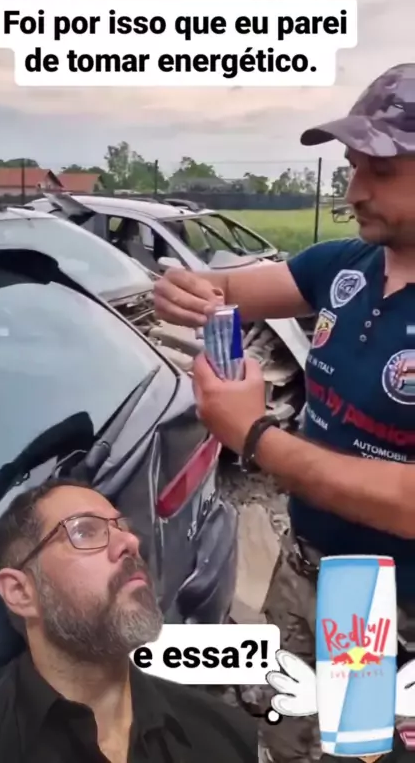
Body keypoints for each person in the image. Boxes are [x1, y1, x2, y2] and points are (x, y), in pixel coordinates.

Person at [153, 62, 415, 763]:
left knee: (362, 749)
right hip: (310, 568)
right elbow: (221, 289)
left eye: (380, 171)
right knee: (288, 737)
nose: (354, 192)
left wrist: (254, 436)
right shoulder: (343, 266)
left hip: (396, 606)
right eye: (352, 167)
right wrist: (184, 289)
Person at [0, 476, 259, 763]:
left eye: (122, 527)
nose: (130, 542)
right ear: (21, 592)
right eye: (85, 531)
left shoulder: (225, 738)